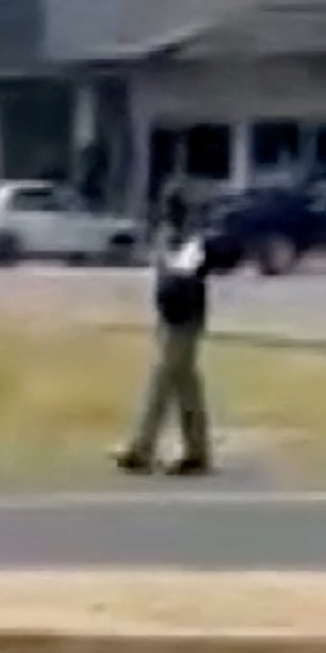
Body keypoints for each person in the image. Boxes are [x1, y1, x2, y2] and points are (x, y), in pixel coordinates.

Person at [116, 197, 218, 476]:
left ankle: (142, 448)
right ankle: (197, 451)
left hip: (184, 317)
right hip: (172, 315)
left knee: (162, 380)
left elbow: (179, 277)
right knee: (185, 384)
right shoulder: (171, 239)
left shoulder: (191, 242)